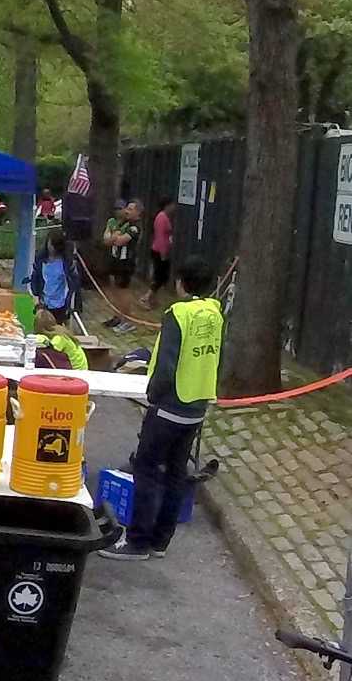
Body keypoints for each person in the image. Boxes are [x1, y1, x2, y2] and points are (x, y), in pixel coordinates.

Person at [105, 257, 222, 561]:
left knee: (145, 469)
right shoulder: (215, 313)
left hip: (169, 405)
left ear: (181, 283)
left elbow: (167, 364)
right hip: (196, 405)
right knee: (175, 473)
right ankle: (160, 540)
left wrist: (153, 395)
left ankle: (138, 541)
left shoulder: (178, 314)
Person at [32, 307, 88, 371]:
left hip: (76, 372)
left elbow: (50, 351)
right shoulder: (60, 330)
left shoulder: (59, 338)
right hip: (81, 369)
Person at [103, 200, 140, 295]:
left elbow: (120, 242)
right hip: (114, 258)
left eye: (130, 209)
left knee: (123, 290)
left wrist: (113, 237)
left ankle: (124, 308)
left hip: (126, 262)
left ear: (137, 212)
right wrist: (114, 237)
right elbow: (106, 241)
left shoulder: (134, 227)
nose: (127, 211)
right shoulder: (117, 222)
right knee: (113, 288)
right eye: (127, 208)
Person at [147, 195, 176, 302]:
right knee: (158, 276)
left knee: (162, 276)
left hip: (163, 250)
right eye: (172, 204)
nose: (174, 207)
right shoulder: (161, 217)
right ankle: (147, 297)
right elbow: (160, 237)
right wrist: (163, 253)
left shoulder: (165, 217)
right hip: (159, 251)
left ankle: (153, 298)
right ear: (167, 205)